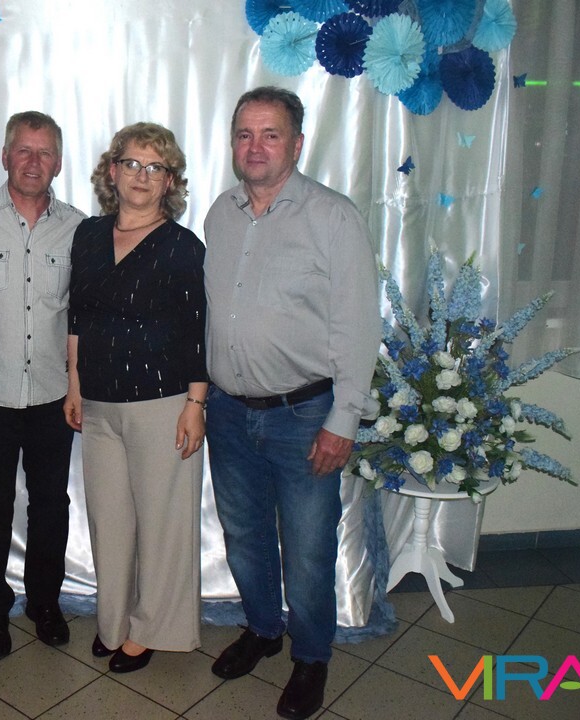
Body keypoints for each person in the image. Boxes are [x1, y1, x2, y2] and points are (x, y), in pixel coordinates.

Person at [203, 87, 380, 719]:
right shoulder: (220, 215)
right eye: (244, 134)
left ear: (297, 144)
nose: (255, 147)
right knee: (244, 535)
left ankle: (310, 658)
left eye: (270, 134)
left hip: (304, 415)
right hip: (228, 411)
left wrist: (344, 419)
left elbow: (358, 326)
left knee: (307, 548)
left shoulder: (333, 217)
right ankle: (262, 629)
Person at [64, 122, 207, 674]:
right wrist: (75, 384)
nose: (142, 176)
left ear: (169, 181)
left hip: (163, 404)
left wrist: (195, 405)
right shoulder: (89, 235)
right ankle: (114, 622)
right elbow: (78, 317)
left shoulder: (182, 246)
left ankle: (154, 630)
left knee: (163, 524)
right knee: (111, 523)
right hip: (99, 404)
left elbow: (198, 331)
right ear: (112, 170)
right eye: (132, 163)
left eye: (155, 167)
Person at [0, 111, 85, 658]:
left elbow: (82, 315)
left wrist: (79, 385)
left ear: (58, 162)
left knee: (50, 506)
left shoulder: (79, 228)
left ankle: (45, 603)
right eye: (24, 150)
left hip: (51, 395)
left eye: (44, 153)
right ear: (5, 156)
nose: (33, 162)